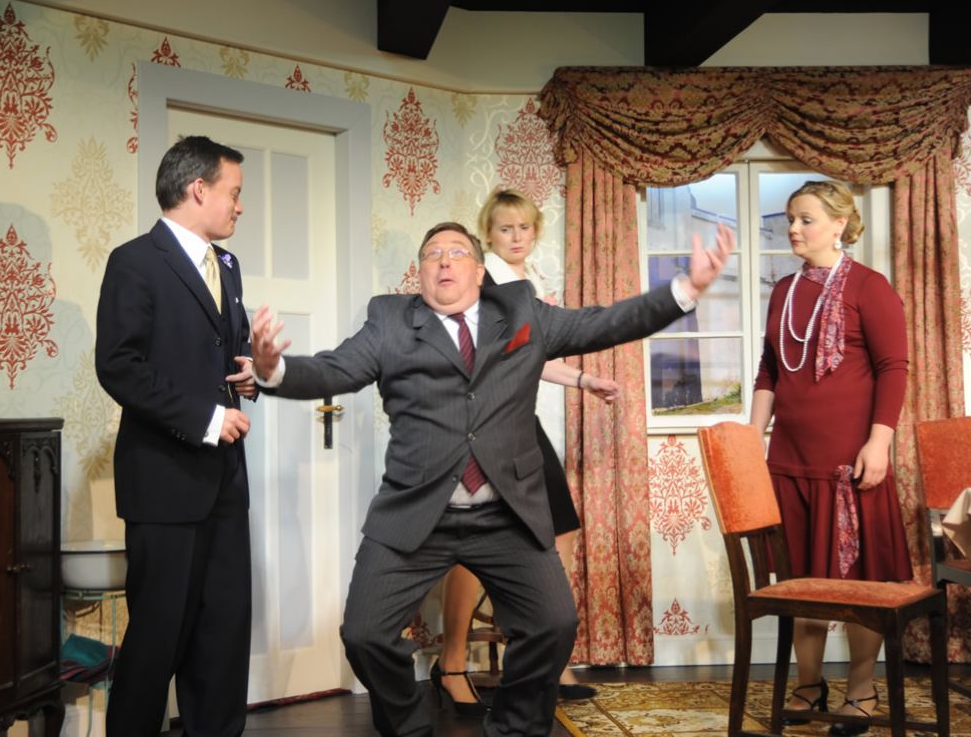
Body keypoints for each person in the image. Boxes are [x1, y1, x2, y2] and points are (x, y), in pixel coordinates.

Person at [250, 220, 732, 737]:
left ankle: (513, 728)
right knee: (365, 635)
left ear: (480, 272)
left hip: (506, 513)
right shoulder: (390, 321)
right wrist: (273, 369)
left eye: (457, 252)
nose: (444, 260)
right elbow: (334, 369)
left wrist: (686, 289)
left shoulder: (522, 312)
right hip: (418, 510)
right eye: (432, 253)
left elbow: (604, 323)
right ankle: (410, 730)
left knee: (553, 625)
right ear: (420, 273)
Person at [95, 135, 257, 737]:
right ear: (198, 188)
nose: (240, 205)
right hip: (163, 484)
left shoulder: (228, 267)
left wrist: (254, 372)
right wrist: (207, 419)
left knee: (223, 635)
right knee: (157, 638)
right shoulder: (134, 261)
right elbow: (119, 366)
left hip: (225, 483)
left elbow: (228, 349)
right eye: (233, 193)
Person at [435, 189, 616, 712]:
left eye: (524, 228)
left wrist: (582, 379)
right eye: (505, 229)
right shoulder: (484, 284)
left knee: (558, 530)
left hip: (516, 421)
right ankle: (451, 664)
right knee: (472, 542)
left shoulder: (521, 284)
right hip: (481, 427)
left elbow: (532, 356)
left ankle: (543, 664)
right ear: (488, 234)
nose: (516, 237)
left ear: (535, 232)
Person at [748, 180, 911, 737]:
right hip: (788, 462)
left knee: (861, 584)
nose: (793, 228)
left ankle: (861, 689)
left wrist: (879, 441)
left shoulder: (870, 286)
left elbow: (893, 368)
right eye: (790, 219)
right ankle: (808, 684)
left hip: (850, 463)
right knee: (802, 579)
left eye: (806, 219)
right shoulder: (783, 290)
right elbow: (769, 369)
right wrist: (752, 436)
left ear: (839, 223)